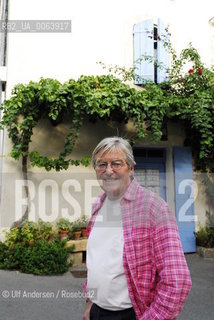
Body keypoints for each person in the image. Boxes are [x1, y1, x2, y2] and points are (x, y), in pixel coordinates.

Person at [82, 137, 192, 320]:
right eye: (101, 164)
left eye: (116, 163)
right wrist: (89, 303)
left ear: (131, 168)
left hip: (133, 314)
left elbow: (177, 281)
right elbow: (96, 262)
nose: (108, 171)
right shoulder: (98, 205)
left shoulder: (154, 208)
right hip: (97, 311)